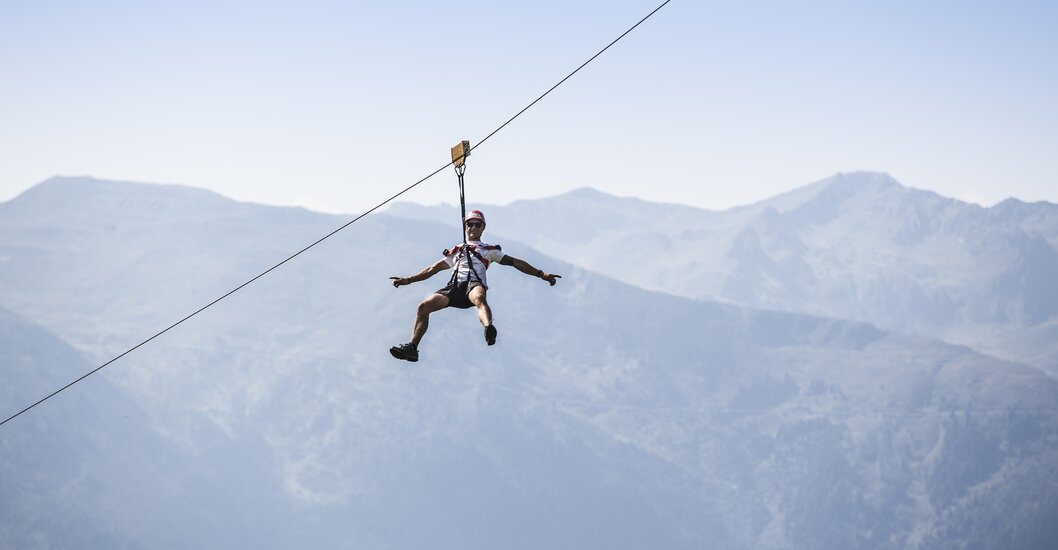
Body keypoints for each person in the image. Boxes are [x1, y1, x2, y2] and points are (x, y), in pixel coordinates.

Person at [389, 209, 561, 362]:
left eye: (477, 225)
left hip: (473, 284)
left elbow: (515, 262)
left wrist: (541, 274)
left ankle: (488, 328)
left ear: (483, 228)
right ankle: (412, 348)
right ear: (465, 227)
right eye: (469, 224)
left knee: (479, 297)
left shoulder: (489, 250)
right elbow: (433, 268)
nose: (473, 227)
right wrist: (409, 279)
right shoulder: (456, 250)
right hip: (454, 288)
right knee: (423, 306)